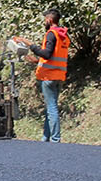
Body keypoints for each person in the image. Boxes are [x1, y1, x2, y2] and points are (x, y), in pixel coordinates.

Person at [14, 10, 69, 143]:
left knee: (52, 108)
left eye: (45, 19)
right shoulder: (64, 36)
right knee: (51, 106)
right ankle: (45, 138)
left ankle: (55, 139)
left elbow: (47, 54)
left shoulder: (51, 34)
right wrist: (35, 61)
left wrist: (28, 43)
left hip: (49, 77)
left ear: (49, 20)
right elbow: (54, 57)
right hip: (59, 75)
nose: (44, 21)